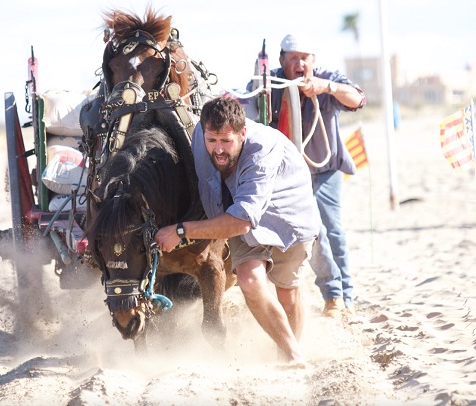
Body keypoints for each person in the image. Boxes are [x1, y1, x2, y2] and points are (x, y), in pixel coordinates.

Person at [154, 97, 321, 367]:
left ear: (242, 133)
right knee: (250, 280)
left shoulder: (261, 151)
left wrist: (181, 230)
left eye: (226, 141)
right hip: (236, 212)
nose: (218, 150)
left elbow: (242, 221)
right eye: (212, 141)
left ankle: (288, 352)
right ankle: (294, 356)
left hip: (287, 217)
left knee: (287, 292)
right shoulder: (200, 132)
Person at [267, 34, 367, 319]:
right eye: (293, 58)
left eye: (305, 58)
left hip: (325, 168)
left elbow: (358, 98)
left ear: (314, 61)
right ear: (282, 60)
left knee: (332, 229)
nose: (299, 64)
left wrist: (327, 88)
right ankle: (334, 293)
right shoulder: (270, 83)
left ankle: (344, 294)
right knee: (314, 230)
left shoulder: (327, 78)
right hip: (288, 175)